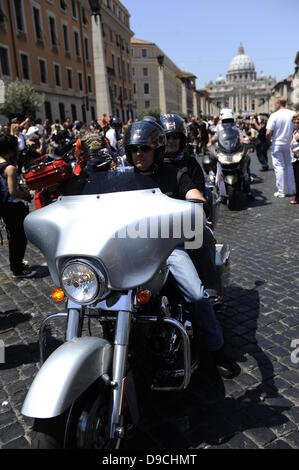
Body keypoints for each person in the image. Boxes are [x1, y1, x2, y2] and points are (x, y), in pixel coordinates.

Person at [123, 118, 237, 379]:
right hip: (127, 249)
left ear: (157, 150)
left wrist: (197, 202)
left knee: (196, 296)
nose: (139, 154)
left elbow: (192, 192)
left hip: (167, 246)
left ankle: (217, 349)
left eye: (145, 149)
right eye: (134, 149)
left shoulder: (173, 173)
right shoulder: (123, 179)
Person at [0, 134, 36, 278]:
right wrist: (27, 194)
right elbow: (13, 192)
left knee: (13, 237)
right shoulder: (10, 168)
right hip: (13, 207)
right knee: (19, 238)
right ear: (10, 149)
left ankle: (16, 264)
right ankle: (18, 270)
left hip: (4, 206)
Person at [266, 97, 295, 198]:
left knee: (278, 167)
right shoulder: (292, 113)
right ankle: (291, 190)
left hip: (277, 143)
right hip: (289, 144)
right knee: (289, 166)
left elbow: (268, 132)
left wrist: (270, 139)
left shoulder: (274, 115)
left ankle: (281, 191)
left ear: (278, 103)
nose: (274, 105)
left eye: (275, 103)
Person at [290, 112, 299, 205]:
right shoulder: (295, 131)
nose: (296, 122)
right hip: (295, 158)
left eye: (298, 120)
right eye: (295, 120)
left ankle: (297, 198)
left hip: (298, 158)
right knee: (296, 178)